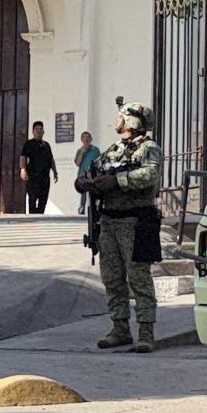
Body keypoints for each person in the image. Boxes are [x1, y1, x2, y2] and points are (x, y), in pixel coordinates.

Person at [79, 102, 162, 353]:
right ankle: (120, 328)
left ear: (133, 121)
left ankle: (145, 332)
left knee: (139, 278)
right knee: (112, 278)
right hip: (109, 221)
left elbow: (150, 175)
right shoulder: (114, 149)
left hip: (135, 221)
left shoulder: (149, 148)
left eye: (123, 117)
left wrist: (117, 181)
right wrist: (85, 181)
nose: (119, 121)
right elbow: (94, 169)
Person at [19, 120, 57, 215]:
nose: (39, 131)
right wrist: (23, 170)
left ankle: (40, 218)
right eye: (37, 129)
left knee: (43, 200)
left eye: (41, 129)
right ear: (33, 131)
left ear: (43, 131)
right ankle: (32, 218)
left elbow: (51, 159)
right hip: (33, 177)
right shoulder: (29, 144)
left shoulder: (46, 145)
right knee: (32, 199)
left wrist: (55, 171)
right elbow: (23, 157)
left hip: (45, 178)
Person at [72, 129, 100, 215]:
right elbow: (77, 163)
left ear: (91, 139)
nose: (86, 139)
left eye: (88, 137)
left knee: (93, 193)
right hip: (82, 175)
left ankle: (94, 210)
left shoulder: (95, 150)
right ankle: (82, 209)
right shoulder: (79, 151)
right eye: (84, 137)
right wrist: (82, 152)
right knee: (83, 193)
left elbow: (99, 161)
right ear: (81, 139)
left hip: (92, 175)